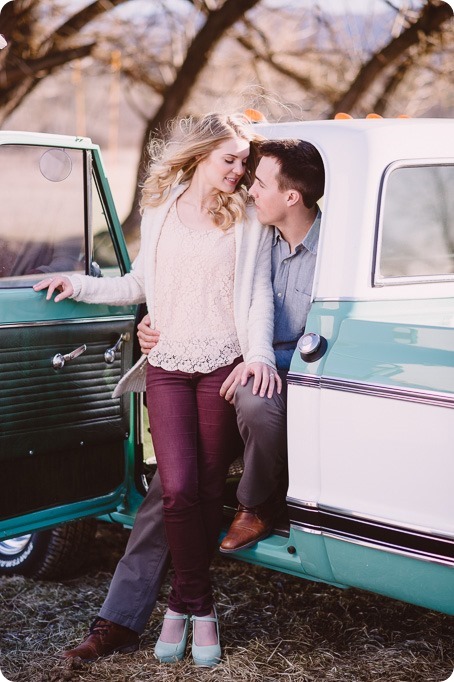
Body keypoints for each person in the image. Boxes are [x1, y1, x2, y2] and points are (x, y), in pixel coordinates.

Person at [54, 136, 324, 665]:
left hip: (245, 366)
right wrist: (136, 315)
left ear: (290, 195)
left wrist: (258, 356)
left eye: (254, 172)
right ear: (201, 154)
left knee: (193, 477)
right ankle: (173, 610)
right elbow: (157, 283)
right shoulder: (178, 209)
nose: (246, 179)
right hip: (194, 365)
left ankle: (249, 512)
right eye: (237, 164)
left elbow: (250, 300)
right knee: (174, 491)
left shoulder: (260, 222)